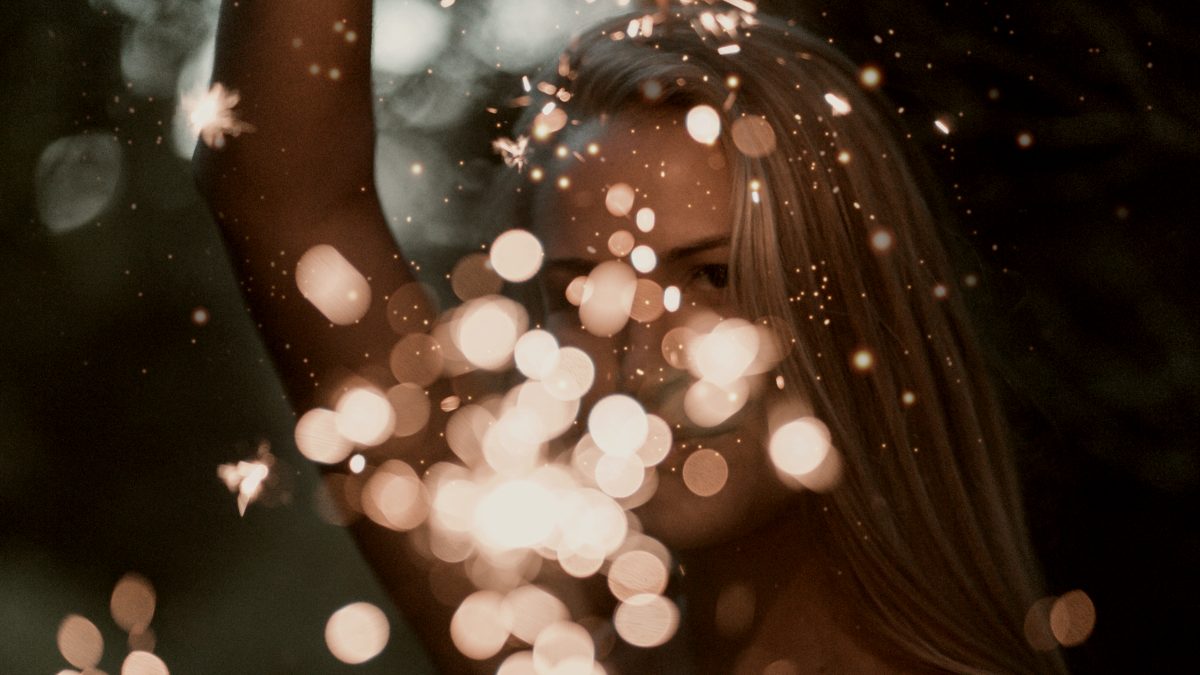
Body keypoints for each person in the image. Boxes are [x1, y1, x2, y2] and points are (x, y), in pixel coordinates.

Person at [195, 1, 1066, 673]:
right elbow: (281, 196)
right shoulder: (564, 636)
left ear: (852, 306)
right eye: (581, 296)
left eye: (711, 276)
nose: (637, 351)